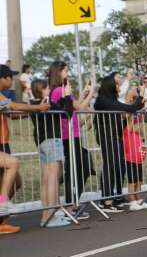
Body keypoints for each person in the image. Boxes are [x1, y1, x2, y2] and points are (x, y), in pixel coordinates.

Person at [0, 64, 49, 234]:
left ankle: (2, 218)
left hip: (4, 143)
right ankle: (2, 204)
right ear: (3, 79)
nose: (12, 80)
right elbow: (12, 106)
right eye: (10, 77)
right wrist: (38, 108)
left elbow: (11, 111)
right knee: (13, 165)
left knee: (16, 182)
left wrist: (32, 111)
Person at [48, 61, 95, 220]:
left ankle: (72, 202)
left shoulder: (63, 90)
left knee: (83, 166)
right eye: (65, 71)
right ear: (58, 72)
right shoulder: (58, 90)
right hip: (66, 136)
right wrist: (90, 94)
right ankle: (70, 204)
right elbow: (80, 107)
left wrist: (83, 93)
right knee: (75, 169)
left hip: (73, 135)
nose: (67, 73)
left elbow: (75, 105)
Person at [94, 75, 144, 212]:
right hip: (107, 136)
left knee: (114, 166)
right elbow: (131, 107)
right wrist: (140, 97)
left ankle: (111, 197)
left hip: (114, 135)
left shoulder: (110, 99)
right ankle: (106, 201)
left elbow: (127, 112)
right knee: (109, 167)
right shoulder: (103, 100)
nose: (118, 87)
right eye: (116, 84)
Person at [30, 79, 72, 227]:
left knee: (46, 180)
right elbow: (68, 112)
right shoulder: (47, 103)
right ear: (42, 89)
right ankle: (50, 217)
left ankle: (45, 217)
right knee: (53, 179)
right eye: (47, 88)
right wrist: (67, 96)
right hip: (52, 140)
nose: (49, 90)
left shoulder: (33, 104)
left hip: (41, 142)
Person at [122, 115, 147, 211]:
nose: (140, 126)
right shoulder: (128, 131)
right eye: (137, 125)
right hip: (131, 160)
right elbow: (130, 120)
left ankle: (138, 199)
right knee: (132, 182)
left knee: (139, 181)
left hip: (138, 160)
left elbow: (140, 126)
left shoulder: (138, 134)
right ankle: (132, 202)